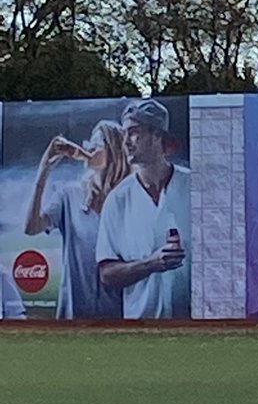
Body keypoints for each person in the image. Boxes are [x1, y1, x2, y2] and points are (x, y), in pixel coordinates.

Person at [96, 99, 191, 320]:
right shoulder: (118, 200)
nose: (126, 142)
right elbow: (107, 274)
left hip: (195, 328)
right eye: (124, 135)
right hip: (141, 329)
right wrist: (151, 263)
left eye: (134, 133)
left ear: (157, 135)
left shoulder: (194, 188)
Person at [24, 121, 129, 320]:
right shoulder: (69, 195)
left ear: (115, 151)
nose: (88, 147)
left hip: (117, 316)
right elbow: (31, 227)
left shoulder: (128, 199)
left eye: (97, 143)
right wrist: (44, 170)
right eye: (89, 141)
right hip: (73, 316)